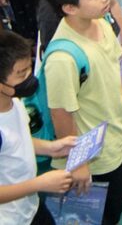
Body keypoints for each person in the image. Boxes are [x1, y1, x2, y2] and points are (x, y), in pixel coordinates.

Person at [42, 0, 122, 224]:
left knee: (119, 200)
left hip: (117, 141)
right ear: (69, 8)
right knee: (103, 216)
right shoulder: (63, 58)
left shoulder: (100, 23)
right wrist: (78, 162)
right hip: (94, 159)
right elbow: (61, 114)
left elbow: (114, 65)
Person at [0, 28, 78, 221]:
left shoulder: (15, 102)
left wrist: (50, 148)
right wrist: (38, 184)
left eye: (29, 68)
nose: (29, 76)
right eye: (21, 74)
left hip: (29, 207)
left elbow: (15, 143)